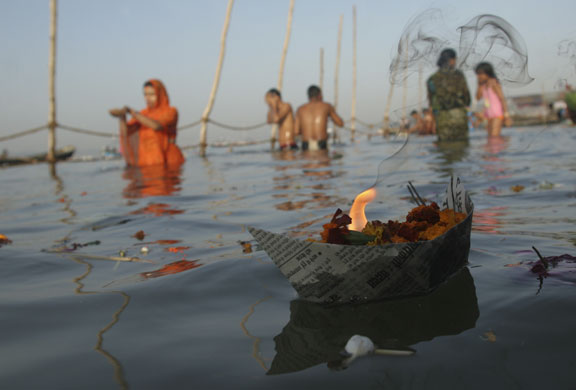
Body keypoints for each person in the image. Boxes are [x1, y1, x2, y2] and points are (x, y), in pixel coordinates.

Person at [109, 79, 185, 167]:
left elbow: (156, 126)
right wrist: (122, 117)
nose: (147, 98)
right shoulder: (142, 114)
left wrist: (131, 111)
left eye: (152, 94)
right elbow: (126, 132)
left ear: (160, 94)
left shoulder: (171, 111)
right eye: (145, 94)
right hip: (147, 161)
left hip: (168, 161)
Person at [427, 49, 471, 141]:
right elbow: (467, 97)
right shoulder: (458, 75)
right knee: (461, 145)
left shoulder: (432, 79)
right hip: (458, 115)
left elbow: (432, 102)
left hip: (442, 117)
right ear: (451, 60)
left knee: (444, 146)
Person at [295, 85, 343, 150]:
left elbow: (296, 131)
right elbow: (340, 123)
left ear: (308, 96)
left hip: (306, 144)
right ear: (319, 95)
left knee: (306, 159)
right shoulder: (327, 106)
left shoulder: (300, 109)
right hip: (321, 143)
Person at [475, 62, 512, 137]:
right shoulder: (483, 85)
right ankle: (504, 143)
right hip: (488, 114)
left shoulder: (494, 83)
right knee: (490, 138)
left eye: (480, 74)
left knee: (494, 137)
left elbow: (502, 99)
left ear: (487, 73)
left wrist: (507, 116)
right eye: (477, 74)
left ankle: (504, 145)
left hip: (497, 114)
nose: (479, 76)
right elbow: (478, 98)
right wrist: (479, 85)